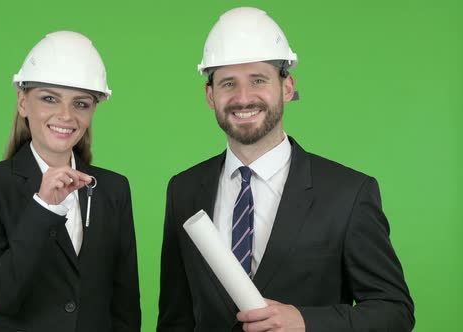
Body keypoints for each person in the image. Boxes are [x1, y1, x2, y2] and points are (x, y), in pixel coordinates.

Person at [157, 7, 414, 332]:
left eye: (258, 80)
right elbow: (175, 318)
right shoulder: (184, 189)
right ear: (210, 96)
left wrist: (306, 322)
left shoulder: (348, 194)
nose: (243, 97)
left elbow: (394, 312)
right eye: (228, 84)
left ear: (287, 88)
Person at [0, 31, 141, 332]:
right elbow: (1, 296)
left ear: (93, 110)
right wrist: (44, 207)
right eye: (49, 98)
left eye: (81, 104)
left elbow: (124, 305)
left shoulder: (113, 189)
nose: (66, 115)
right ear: (22, 102)